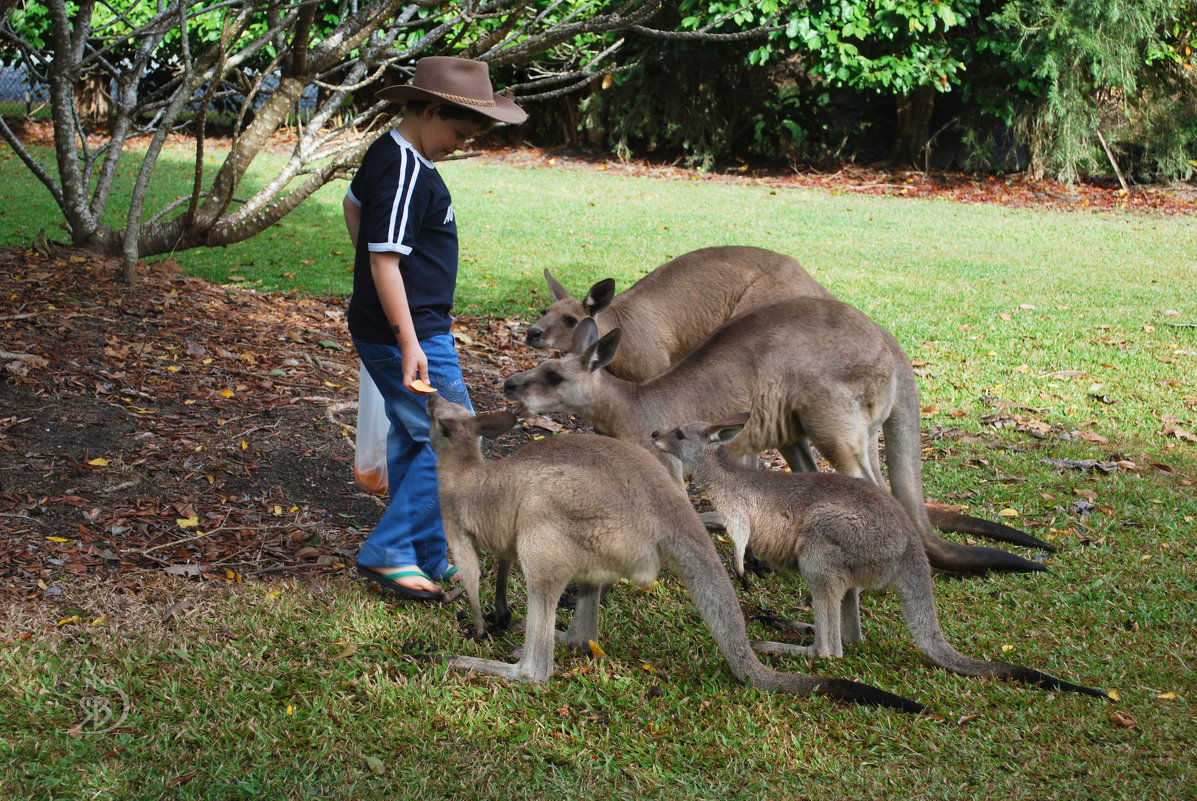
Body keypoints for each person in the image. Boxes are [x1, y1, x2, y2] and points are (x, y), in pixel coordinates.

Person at [344, 57, 526, 601]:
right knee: (453, 438)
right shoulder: (404, 169)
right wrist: (407, 339)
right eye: (459, 133)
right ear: (429, 111)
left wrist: (378, 284)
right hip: (411, 335)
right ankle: (389, 552)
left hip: (408, 327)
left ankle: (424, 551)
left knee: (414, 438)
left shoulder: (391, 154)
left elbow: (353, 206)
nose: (460, 145)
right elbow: (383, 259)